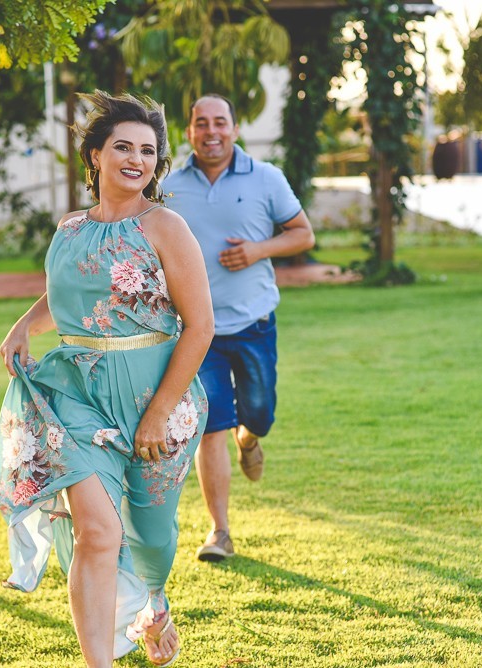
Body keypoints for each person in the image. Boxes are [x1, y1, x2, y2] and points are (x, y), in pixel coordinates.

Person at [0, 90, 214, 667]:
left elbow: (201, 325)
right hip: (77, 396)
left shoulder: (165, 227)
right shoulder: (69, 230)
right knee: (97, 531)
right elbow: (72, 292)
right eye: (123, 146)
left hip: (156, 399)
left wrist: (160, 412)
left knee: (149, 536)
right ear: (95, 154)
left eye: (148, 150)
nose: (136, 159)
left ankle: (153, 602)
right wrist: (25, 325)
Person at [162, 94, 315, 563]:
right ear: (189, 130)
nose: (211, 131)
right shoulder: (167, 184)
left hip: (252, 323)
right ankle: (219, 532)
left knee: (260, 413)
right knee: (209, 427)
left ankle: (249, 438)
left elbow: (302, 234)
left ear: (234, 128)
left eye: (220, 123)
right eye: (201, 123)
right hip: (195, 332)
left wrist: (256, 250)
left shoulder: (266, 178)